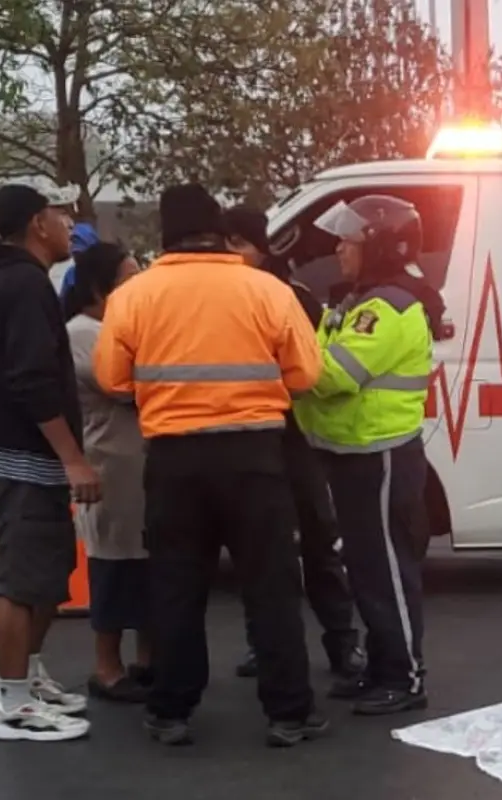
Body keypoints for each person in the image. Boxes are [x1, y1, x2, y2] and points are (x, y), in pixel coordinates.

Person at [93, 184, 326, 748]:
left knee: (176, 586)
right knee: (270, 587)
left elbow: (111, 379)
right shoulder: (266, 289)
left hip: (175, 460)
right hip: (254, 457)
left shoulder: (135, 295)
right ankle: (288, 713)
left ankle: (171, 710)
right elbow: (306, 374)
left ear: (165, 235)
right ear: (221, 231)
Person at [295, 195, 442, 716]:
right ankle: (383, 669)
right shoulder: (360, 301)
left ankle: (404, 677)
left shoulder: (387, 307)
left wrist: (288, 357)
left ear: (379, 245)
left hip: (378, 454)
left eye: (350, 241)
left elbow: (332, 375)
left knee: (385, 571)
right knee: (365, 568)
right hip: (353, 451)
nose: (339, 249)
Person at [0, 182, 95, 743]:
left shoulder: (2, 278)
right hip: (20, 454)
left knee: (48, 571)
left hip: (10, 449)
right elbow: (31, 379)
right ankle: (12, 703)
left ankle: (27, 677)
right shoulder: (21, 284)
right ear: (39, 223)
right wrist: (74, 459)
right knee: (21, 580)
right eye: (62, 215)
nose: (70, 225)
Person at [221, 206, 365, 681]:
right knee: (255, 551)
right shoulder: (222, 298)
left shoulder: (292, 297)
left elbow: (311, 369)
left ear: (260, 248)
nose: (229, 254)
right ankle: (265, 645)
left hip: (292, 436)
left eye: (238, 245)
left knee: (319, 543)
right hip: (245, 441)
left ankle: (343, 646)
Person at [62, 242, 151, 703]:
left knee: (148, 563)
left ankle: (147, 661)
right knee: (115, 567)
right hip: (112, 464)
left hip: (141, 463)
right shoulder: (84, 334)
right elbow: (127, 386)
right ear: (100, 288)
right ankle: (107, 667)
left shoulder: (121, 330)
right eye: (128, 279)